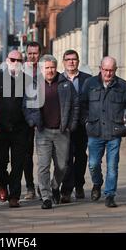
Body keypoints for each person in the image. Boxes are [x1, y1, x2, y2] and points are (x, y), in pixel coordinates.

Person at [23, 55, 79, 209]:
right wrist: (32, 122)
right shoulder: (34, 85)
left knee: (62, 166)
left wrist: (71, 125)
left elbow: (75, 105)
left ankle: (55, 186)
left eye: (52, 67)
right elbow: (27, 106)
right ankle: (46, 196)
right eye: (47, 67)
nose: (50, 70)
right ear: (42, 69)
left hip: (62, 132)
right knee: (43, 166)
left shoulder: (66, 84)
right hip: (43, 131)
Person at [81, 56, 126, 208]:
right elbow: (82, 104)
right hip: (95, 130)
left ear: (115, 70)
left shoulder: (123, 85)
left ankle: (110, 195)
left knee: (112, 166)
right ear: (100, 68)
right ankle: (97, 184)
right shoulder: (90, 83)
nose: (108, 73)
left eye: (111, 70)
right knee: (93, 164)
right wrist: (86, 121)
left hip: (115, 131)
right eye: (105, 70)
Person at [0, 50, 29, 208]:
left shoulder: (28, 81)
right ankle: (2, 184)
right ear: (6, 61)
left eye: (19, 60)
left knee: (18, 163)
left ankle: (14, 195)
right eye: (13, 59)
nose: (16, 62)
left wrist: (32, 123)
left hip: (21, 128)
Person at [59, 50, 91, 202]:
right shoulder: (58, 79)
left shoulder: (87, 80)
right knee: (65, 158)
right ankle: (66, 190)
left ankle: (79, 184)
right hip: (64, 126)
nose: (71, 62)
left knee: (80, 156)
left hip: (81, 125)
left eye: (74, 59)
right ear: (63, 62)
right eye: (68, 59)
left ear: (78, 61)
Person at [22, 41, 41, 200]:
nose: (33, 56)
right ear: (26, 54)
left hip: (43, 118)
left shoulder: (46, 70)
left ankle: (43, 185)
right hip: (25, 119)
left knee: (44, 155)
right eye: (30, 53)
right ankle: (30, 187)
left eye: (35, 53)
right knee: (26, 155)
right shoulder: (20, 71)